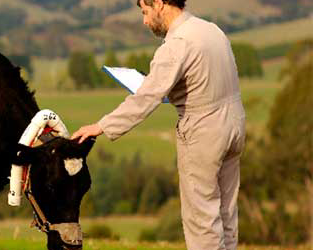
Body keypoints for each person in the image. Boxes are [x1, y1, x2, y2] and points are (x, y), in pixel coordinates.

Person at [71, 0, 246, 249]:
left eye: (145, 11)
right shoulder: (212, 30)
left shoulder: (176, 45)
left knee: (202, 221)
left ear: (160, 4)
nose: (144, 21)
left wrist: (101, 126)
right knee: (226, 213)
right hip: (235, 125)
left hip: (203, 132)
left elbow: (145, 98)